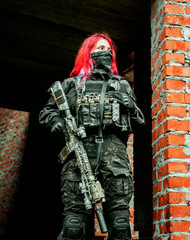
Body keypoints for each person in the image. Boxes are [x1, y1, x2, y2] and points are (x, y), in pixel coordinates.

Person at [39, 33, 145, 240]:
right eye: (99, 48)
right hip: (79, 153)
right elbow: (47, 111)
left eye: (108, 49)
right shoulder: (70, 85)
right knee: (74, 224)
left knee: (121, 224)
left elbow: (139, 120)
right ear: (88, 53)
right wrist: (56, 122)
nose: (104, 52)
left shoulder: (121, 85)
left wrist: (130, 104)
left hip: (114, 156)